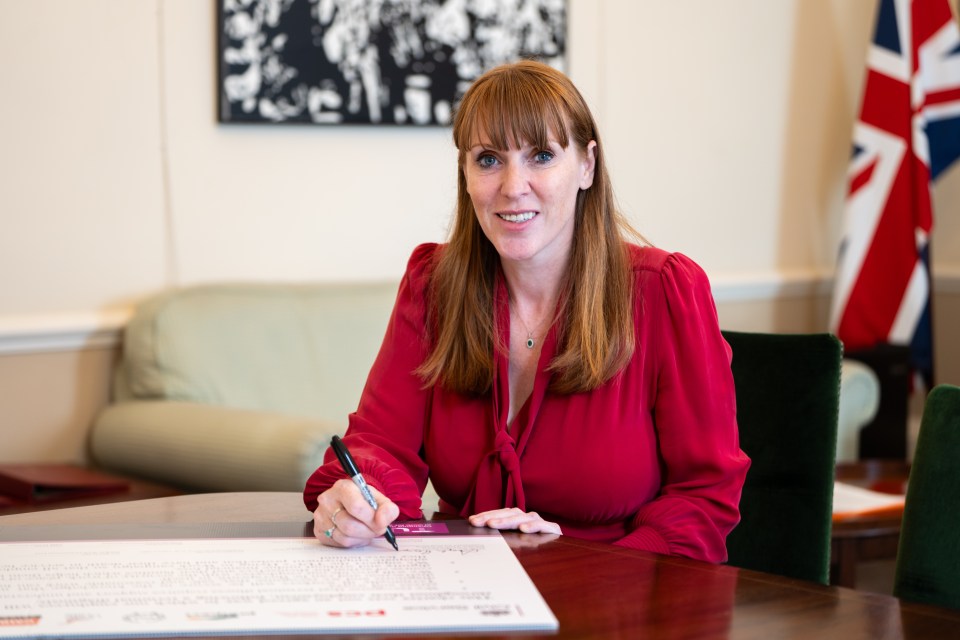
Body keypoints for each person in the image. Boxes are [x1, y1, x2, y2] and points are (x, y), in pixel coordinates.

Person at [304, 60, 750, 563]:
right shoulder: (433, 284)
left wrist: (580, 563)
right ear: (466, 176)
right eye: (489, 160)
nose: (513, 187)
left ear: (587, 166)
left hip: (615, 601)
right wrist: (358, 501)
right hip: (465, 593)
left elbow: (703, 499)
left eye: (541, 155)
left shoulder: (664, 293)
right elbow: (380, 446)